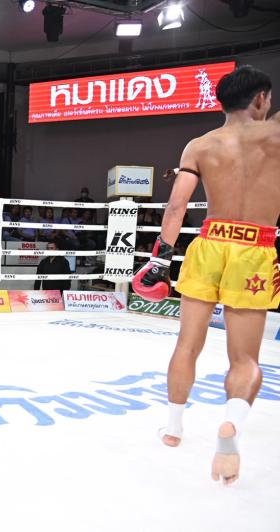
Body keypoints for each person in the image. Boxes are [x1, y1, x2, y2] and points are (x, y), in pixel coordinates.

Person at [132, 65, 280, 485]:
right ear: (261, 99)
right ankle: (231, 424)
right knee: (245, 359)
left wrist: (160, 260)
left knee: (187, 344)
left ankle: (173, 428)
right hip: (255, 248)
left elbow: (176, 207)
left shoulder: (199, 145)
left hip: (209, 244)